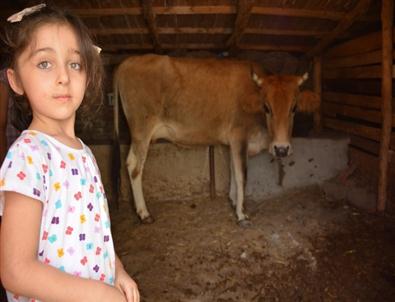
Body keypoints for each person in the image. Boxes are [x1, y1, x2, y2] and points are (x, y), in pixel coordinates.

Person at [0, 4, 139, 302]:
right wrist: (100, 295)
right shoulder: (28, 156)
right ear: (16, 81)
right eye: (45, 64)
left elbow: (95, 234)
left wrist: (117, 270)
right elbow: (15, 270)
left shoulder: (85, 155)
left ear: (87, 76)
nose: (63, 76)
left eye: (75, 64)